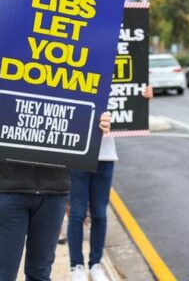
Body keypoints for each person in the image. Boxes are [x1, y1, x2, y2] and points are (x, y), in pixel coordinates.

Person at [0, 79, 112, 281]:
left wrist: (98, 127)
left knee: (40, 274)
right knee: (2, 275)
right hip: (9, 191)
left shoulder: (75, 86)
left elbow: (82, 141)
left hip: (53, 193)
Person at [68, 85, 153, 281]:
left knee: (99, 213)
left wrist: (143, 98)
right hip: (78, 153)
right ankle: (76, 266)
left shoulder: (116, 82)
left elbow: (130, 108)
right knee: (77, 213)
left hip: (105, 155)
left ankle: (96, 264)